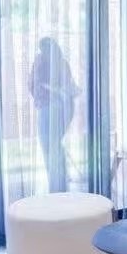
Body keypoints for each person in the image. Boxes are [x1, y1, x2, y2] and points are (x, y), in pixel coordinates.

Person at [30, 37, 80, 192]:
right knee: (56, 145)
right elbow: (68, 84)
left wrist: (40, 95)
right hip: (66, 107)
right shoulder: (63, 62)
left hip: (48, 108)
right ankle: (61, 182)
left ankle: (56, 185)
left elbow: (33, 84)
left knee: (49, 147)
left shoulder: (40, 61)